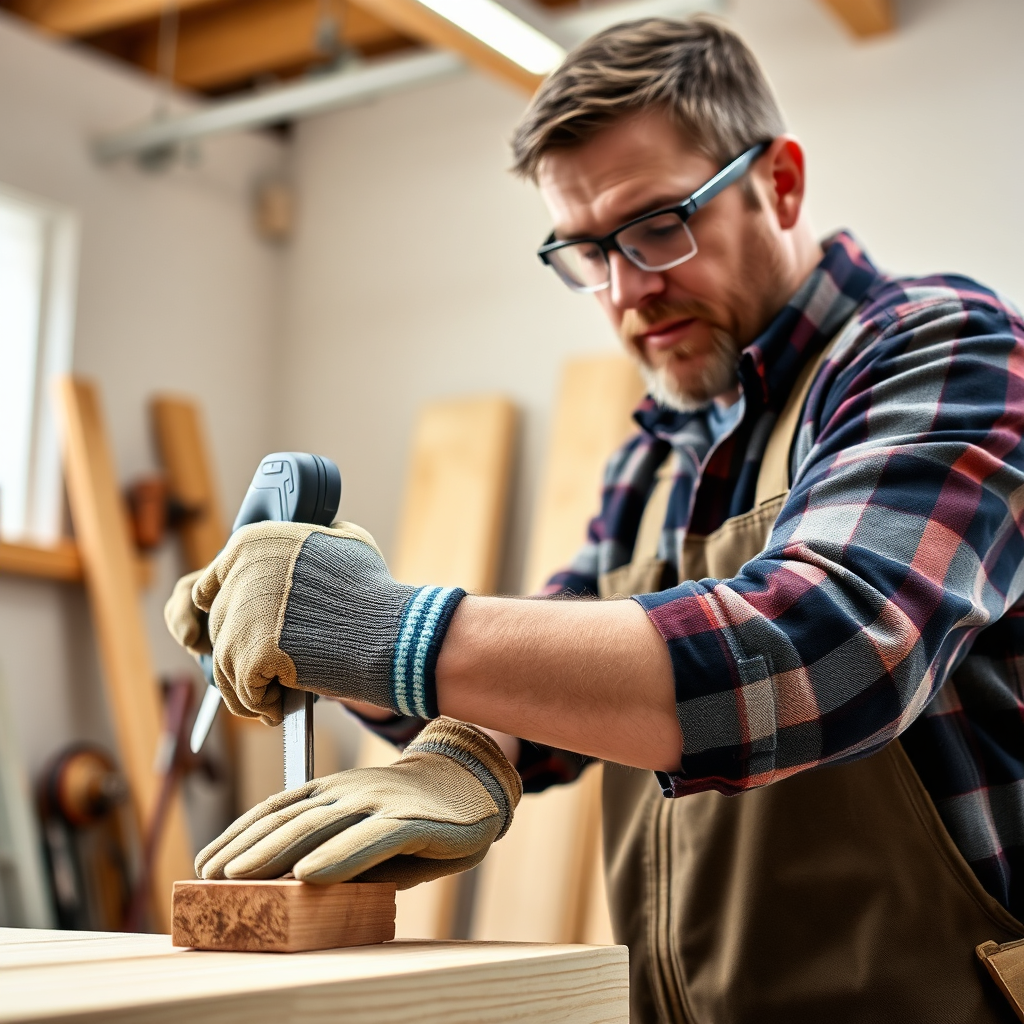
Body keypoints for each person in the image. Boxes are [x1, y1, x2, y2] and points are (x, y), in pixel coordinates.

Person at [165, 16, 1024, 1022]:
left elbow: (825, 649)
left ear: (779, 183)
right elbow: (559, 662)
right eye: (583, 251)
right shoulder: (659, 446)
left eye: (658, 225)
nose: (627, 290)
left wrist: (378, 627)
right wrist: (397, 685)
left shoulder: (939, 353)